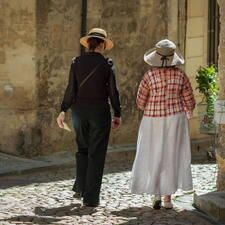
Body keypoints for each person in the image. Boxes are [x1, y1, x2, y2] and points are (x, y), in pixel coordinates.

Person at [56, 28, 121, 207]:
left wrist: (63, 110)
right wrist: (117, 113)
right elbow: (113, 91)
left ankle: (80, 188)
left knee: (82, 150)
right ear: (101, 44)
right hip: (100, 113)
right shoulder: (107, 64)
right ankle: (91, 198)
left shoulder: (76, 61)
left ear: (89, 43)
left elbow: (71, 88)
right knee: (96, 154)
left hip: (79, 113)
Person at [130, 39, 195, 210]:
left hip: (153, 120)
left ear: (157, 57)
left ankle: (156, 194)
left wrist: (152, 106)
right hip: (176, 119)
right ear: (173, 57)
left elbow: (140, 101)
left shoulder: (149, 75)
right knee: (172, 155)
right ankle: (167, 199)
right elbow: (190, 100)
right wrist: (187, 109)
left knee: (154, 153)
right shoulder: (181, 75)